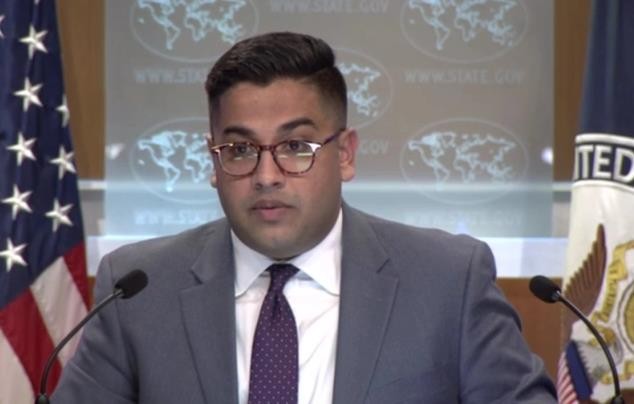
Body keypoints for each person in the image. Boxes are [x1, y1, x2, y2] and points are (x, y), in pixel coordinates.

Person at [52, 31, 557, 403]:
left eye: (296, 146)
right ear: (213, 161)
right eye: (240, 149)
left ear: (345, 154)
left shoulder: (448, 279)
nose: (266, 175)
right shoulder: (138, 290)